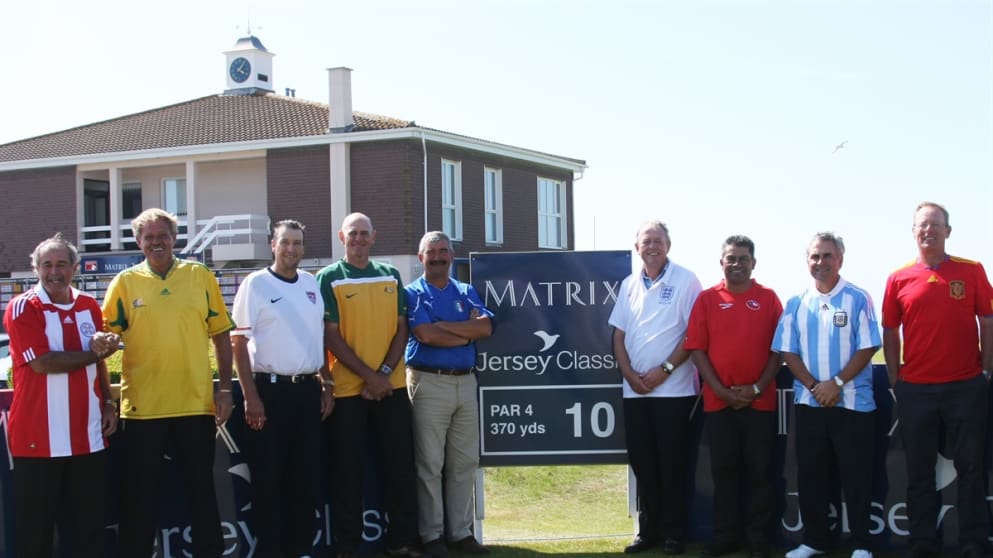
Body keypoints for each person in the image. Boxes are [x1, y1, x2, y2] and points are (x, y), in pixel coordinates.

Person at [102, 208, 236, 558]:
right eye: (149, 237)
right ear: (139, 242)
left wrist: (224, 390)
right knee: (139, 497)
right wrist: (105, 397)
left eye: (163, 236)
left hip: (194, 405)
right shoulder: (125, 282)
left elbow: (222, 334)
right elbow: (104, 343)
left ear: (174, 239)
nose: (156, 242)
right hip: (142, 410)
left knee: (201, 491)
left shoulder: (199, 275)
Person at [882, 202, 993, 558]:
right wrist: (897, 379)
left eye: (935, 225)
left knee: (972, 468)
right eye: (921, 226)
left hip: (966, 387)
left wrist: (985, 371)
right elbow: (890, 331)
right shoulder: (897, 278)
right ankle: (922, 542)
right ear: (913, 232)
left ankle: (974, 542)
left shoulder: (972, 270)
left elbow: (988, 323)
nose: (927, 231)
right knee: (918, 472)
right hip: (916, 390)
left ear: (948, 231)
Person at [2, 234, 119, 558]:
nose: (54, 272)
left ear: (75, 268)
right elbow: (43, 363)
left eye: (62, 264)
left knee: (89, 530)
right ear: (36, 268)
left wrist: (108, 402)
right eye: (47, 265)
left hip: (88, 435)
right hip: (37, 438)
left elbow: (100, 363)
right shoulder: (23, 306)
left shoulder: (88, 306)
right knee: (35, 535)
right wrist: (97, 354)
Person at [316, 212, 422, 558]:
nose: (359, 239)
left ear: (373, 237)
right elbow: (331, 337)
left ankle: (402, 540)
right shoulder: (327, 278)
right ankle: (348, 546)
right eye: (353, 234)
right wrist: (370, 376)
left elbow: (401, 328)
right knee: (347, 472)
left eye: (364, 233)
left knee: (400, 468)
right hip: (348, 392)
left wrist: (385, 372)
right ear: (341, 237)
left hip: (390, 389)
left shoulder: (391, 275)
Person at [773, 232, 881, 558]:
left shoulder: (858, 298)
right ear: (808, 262)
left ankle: (862, 542)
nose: (821, 263)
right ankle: (814, 540)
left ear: (840, 260)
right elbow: (787, 352)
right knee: (811, 476)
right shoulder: (796, 302)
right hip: (810, 403)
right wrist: (815, 386)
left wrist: (835, 382)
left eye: (827, 256)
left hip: (852, 404)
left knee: (857, 476)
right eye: (815, 257)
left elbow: (868, 345)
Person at [231, 219, 335, 557]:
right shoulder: (255, 284)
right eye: (285, 242)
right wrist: (251, 396)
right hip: (269, 394)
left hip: (306, 393)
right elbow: (237, 343)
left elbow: (315, 338)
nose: (292, 249)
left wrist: (326, 384)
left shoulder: (310, 283)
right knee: (269, 479)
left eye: (298, 243)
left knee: (304, 478)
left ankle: (300, 549)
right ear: (272, 245)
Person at [684, 235, 782, 558]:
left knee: (759, 474)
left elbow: (779, 352)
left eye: (743, 258)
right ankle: (726, 537)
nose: (736, 263)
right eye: (731, 258)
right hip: (718, 402)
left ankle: (758, 541)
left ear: (753, 263)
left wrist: (755, 388)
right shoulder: (707, 299)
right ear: (721, 262)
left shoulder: (768, 299)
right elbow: (697, 349)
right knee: (724, 474)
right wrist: (721, 390)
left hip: (760, 402)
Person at [608, 220, 703, 555]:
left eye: (658, 241)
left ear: (669, 246)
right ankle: (648, 532)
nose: (652, 246)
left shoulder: (686, 280)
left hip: (674, 391)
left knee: (673, 464)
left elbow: (694, 335)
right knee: (644, 464)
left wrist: (664, 370)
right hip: (635, 391)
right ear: (637, 247)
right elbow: (618, 335)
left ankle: (675, 534)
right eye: (646, 241)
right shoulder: (629, 284)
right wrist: (630, 375)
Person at [404, 231, 494, 558]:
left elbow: (485, 328)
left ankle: (460, 533)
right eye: (432, 252)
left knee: (464, 463)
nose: (438, 257)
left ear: (452, 256)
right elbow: (425, 334)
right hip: (429, 383)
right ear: (421, 258)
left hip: (465, 383)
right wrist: (464, 333)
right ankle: (432, 535)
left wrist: (446, 328)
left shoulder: (466, 291)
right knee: (429, 463)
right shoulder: (413, 293)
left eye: (443, 251)